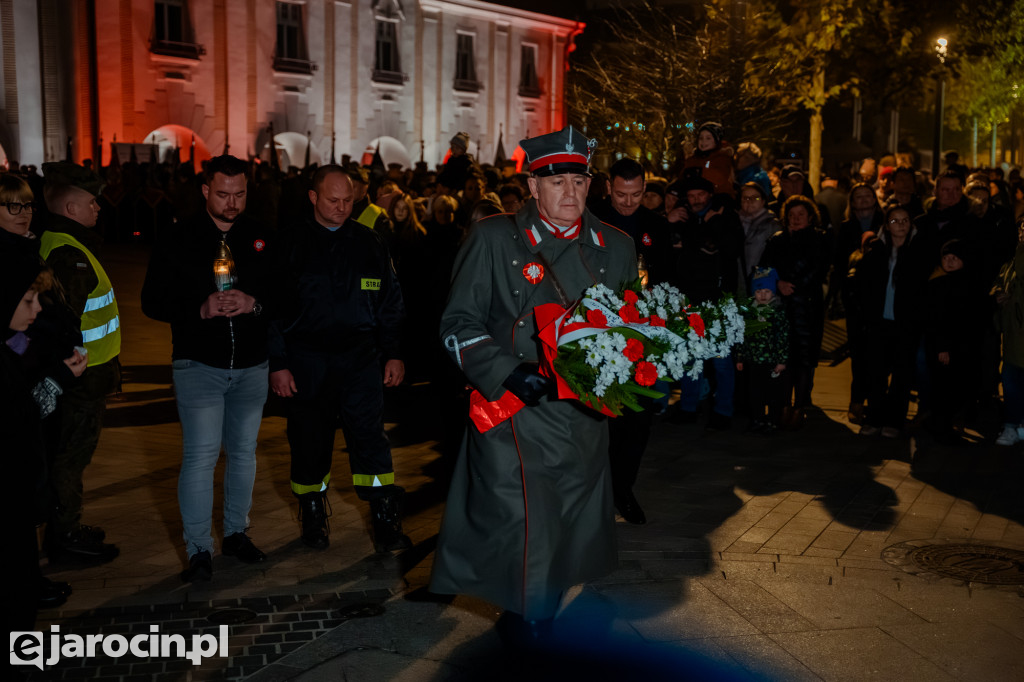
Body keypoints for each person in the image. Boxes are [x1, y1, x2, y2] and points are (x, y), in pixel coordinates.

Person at [430, 125, 637, 643]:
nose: (571, 193)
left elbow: (633, 328)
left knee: (568, 526)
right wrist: (505, 371)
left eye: (580, 181)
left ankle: (537, 607)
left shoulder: (616, 246)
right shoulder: (495, 237)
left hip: (582, 417)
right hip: (513, 414)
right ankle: (530, 619)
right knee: (523, 526)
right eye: (557, 181)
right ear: (533, 185)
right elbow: (458, 324)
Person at [142, 155, 281, 582]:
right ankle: (200, 548)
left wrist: (253, 303)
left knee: (243, 454)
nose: (232, 202)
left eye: (240, 193)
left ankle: (237, 533)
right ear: (205, 190)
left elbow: (288, 296)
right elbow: (152, 301)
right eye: (223, 194)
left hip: (252, 364)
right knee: (201, 457)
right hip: (197, 363)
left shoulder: (261, 235)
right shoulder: (179, 236)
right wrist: (197, 308)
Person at [269, 165, 411, 554]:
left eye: (349, 200)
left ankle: (384, 519)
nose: (342, 208)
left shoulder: (370, 242)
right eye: (333, 200)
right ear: (313, 197)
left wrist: (393, 353)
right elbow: (273, 310)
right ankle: (313, 514)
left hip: (361, 359)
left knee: (370, 439)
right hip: (306, 362)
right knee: (309, 439)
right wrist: (278, 362)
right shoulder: (290, 243)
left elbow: (390, 302)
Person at [39, 161, 121, 563]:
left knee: (69, 455)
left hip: (82, 375)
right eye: (92, 202)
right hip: (80, 378)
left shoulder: (60, 241)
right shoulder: (69, 253)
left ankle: (65, 526)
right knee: (71, 458)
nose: (98, 208)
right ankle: (64, 535)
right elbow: (65, 322)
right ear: (70, 208)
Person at [590, 158, 671, 525]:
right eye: (621, 195)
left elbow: (672, 277)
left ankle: (622, 488)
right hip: (600, 334)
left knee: (639, 419)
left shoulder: (656, 225)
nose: (628, 202)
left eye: (636, 194)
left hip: (645, 335)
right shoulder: (591, 220)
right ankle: (597, 491)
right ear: (609, 188)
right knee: (602, 421)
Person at [667, 174, 744, 430]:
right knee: (691, 358)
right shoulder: (686, 218)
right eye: (691, 196)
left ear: (709, 195)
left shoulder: (725, 215)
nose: (696, 200)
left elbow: (728, 248)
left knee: (721, 360)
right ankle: (689, 407)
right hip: (691, 298)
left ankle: (723, 411)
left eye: (700, 195)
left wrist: (716, 224)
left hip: (719, 299)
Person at [854, 205, 928, 437]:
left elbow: (923, 288)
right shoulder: (877, 249)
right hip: (879, 321)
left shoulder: (918, 250)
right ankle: (874, 417)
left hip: (906, 322)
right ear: (886, 225)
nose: (900, 225)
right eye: (894, 221)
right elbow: (863, 284)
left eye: (905, 220)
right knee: (875, 371)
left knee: (901, 374)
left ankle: (894, 421)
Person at [759, 195, 831, 429]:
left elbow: (819, 269)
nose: (796, 219)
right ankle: (783, 406)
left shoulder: (820, 239)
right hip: (782, 307)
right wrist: (778, 284)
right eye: (792, 215)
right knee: (783, 358)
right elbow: (764, 269)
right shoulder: (776, 240)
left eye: (801, 214)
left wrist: (795, 286)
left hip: (808, 307)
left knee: (804, 360)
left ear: (810, 216)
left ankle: (799, 407)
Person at [735, 267, 788, 435]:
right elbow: (743, 336)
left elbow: (782, 338)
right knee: (755, 393)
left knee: (773, 393)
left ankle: (773, 420)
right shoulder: (749, 313)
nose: (763, 295)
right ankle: (757, 419)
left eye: (767, 291)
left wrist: (781, 360)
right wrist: (740, 357)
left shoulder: (777, 313)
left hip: (772, 361)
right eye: (759, 291)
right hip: (754, 361)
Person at [680, 121, 735, 197]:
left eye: (708, 138)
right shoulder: (692, 159)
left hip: (718, 197)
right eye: (701, 138)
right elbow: (682, 178)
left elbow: (721, 178)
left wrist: (701, 172)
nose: (703, 141)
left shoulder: (722, 157)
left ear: (716, 140)